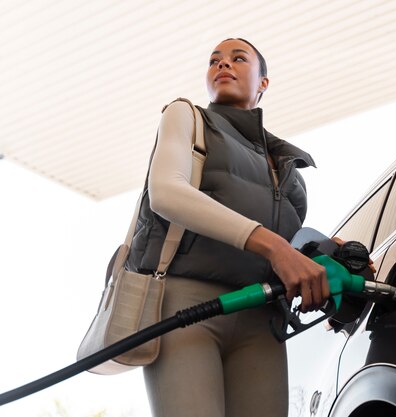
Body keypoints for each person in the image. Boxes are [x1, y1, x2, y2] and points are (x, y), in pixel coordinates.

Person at [126, 38, 330, 417]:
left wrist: (329, 255)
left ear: (263, 82)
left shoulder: (287, 169)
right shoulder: (186, 117)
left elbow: (291, 248)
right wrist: (275, 247)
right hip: (187, 305)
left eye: (238, 58)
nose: (223, 64)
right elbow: (167, 193)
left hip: (261, 317)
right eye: (214, 61)